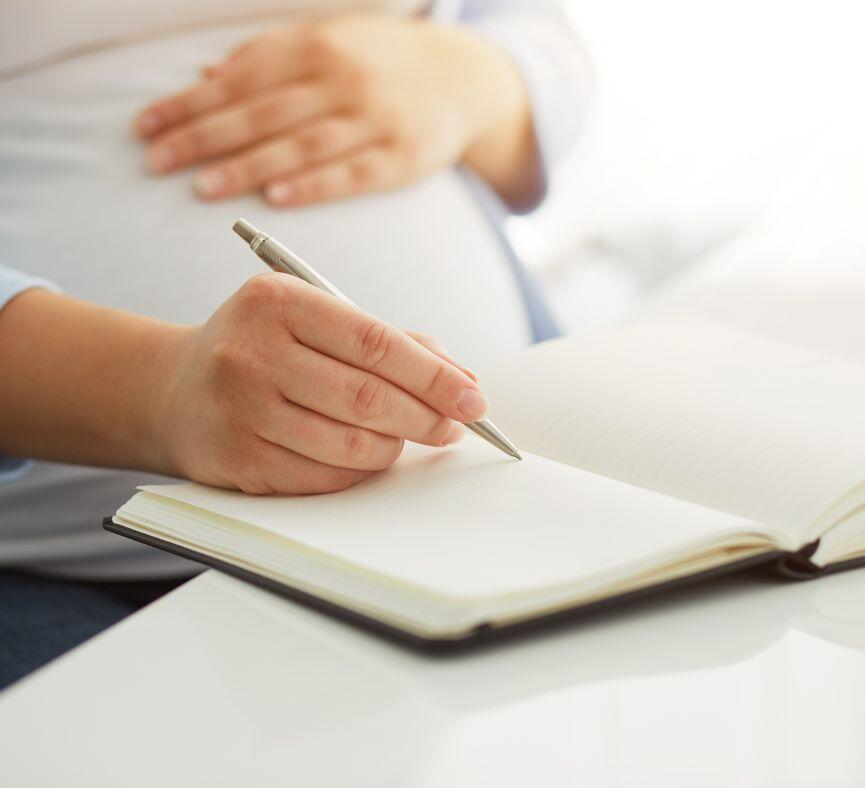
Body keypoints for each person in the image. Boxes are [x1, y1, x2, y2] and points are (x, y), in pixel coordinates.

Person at [0, 0, 589, 686]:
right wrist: (156, 389)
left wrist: (483, 79)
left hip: (486, 506)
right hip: (75, 575)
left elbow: (533, 29)